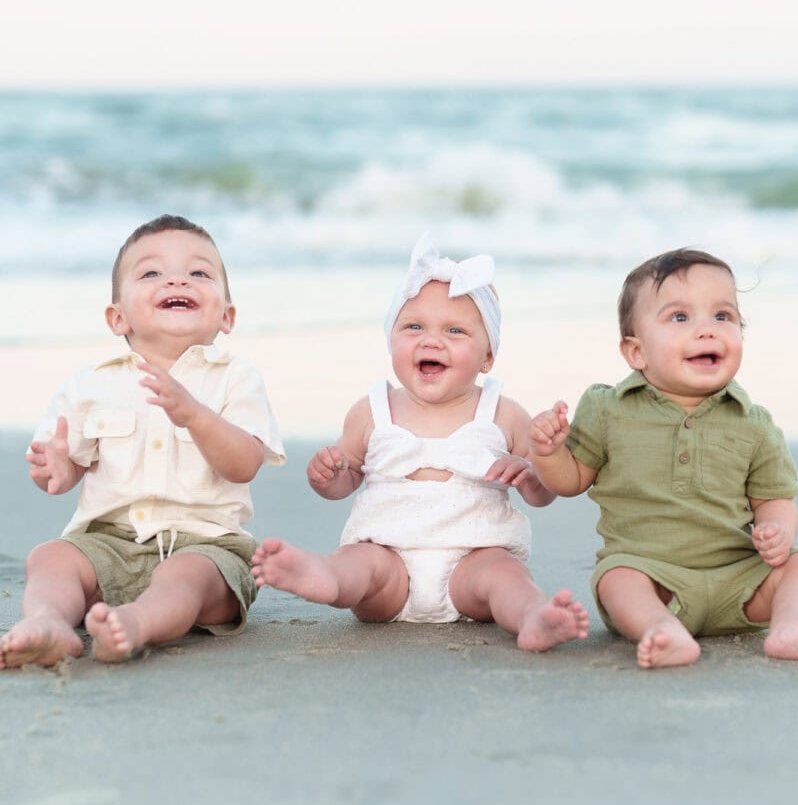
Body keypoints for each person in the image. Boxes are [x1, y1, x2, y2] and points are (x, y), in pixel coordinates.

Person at [249, 234, 588, 651]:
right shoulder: (372, 410)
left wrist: (533, 473)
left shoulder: (503, 412)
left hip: (474, 556)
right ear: (391, 340)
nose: (431, 340)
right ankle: (325, 578)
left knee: (506, 578)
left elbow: (541, 495)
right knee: (360, 563)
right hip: (388, 559)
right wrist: (328, 475)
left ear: (487, 357)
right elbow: (345, 480)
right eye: (413, 327)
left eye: (455, 330)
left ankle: (533, 616)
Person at [528, 248, 798, 668]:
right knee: (616, 578)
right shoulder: (608, 409)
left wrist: (777, 531)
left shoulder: (753, 423)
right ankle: (658, 628)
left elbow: (774, 499)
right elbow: (570, 479)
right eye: (680, 318)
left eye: (723, 316)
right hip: (655, 578)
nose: (707, 330)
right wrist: (549, 452)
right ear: (636, 352)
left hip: (740, 580)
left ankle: (792, 625)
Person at [0, 215, 284, 668]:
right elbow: (69, 467)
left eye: (199, 273)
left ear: (227, 315)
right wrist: (58, 468)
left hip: (207, 547)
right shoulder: (90, 385)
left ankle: (136, 623)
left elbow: (243, 464)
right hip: (109, 542)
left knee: (185, 578)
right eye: (151, 272)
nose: (176, 278)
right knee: (50, 558)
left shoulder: (235, 379)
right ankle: (49, 621)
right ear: (117, 317)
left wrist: (193, 415)